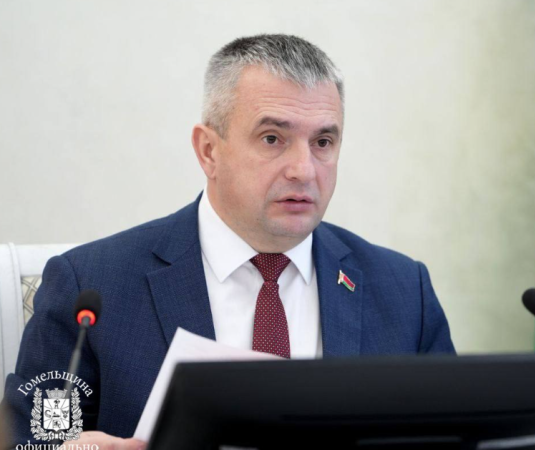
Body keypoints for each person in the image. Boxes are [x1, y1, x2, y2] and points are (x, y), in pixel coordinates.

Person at [2, 34, 455, 448]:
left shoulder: (403, 292)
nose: (304, 170)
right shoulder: (92, 286)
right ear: (209, 151)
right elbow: (33, 439)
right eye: (273, 138)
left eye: (323, 141)